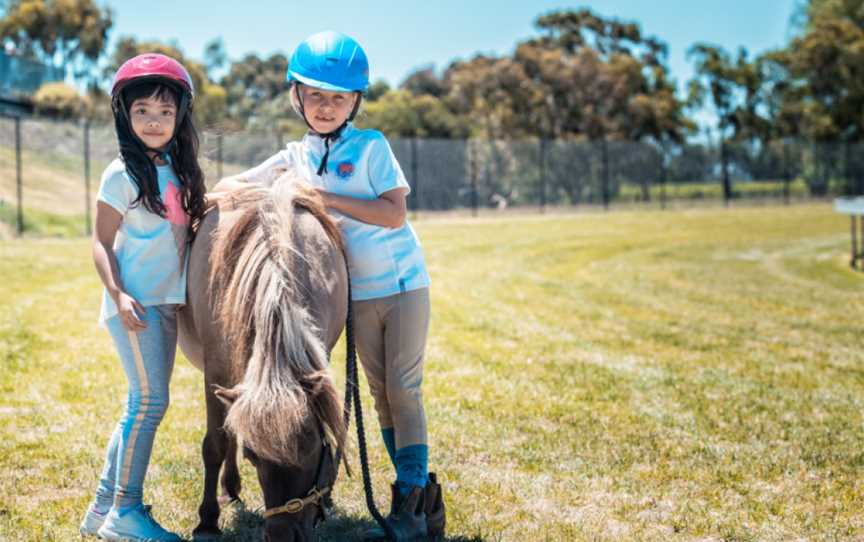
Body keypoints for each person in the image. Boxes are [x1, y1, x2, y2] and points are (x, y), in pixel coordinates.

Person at [213, 30, 446, 540]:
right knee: (381, 396)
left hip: (402, 286)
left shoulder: (371, 146)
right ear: (296, 96)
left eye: (338, 97)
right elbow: (235, 184)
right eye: (315, 94)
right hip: (355, 297)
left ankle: (412, 499)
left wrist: (321, 197)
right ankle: (419, 496)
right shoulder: (294, 156)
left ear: (355, 101)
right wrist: (206, 196)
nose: (326, 106)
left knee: (403, 391)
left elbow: (392, 212)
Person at [80, 53, 206, 541]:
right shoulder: (120, 173)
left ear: (180, 117)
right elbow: (100, 242)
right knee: (149, 403)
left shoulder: (178, 168)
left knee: (143, 402)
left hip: (166, 303)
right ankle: (125, 513)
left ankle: (101, 508)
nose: (154, 122)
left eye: (165, 112)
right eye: (143, 112)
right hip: (135, 305)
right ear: (124, 116)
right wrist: (119, 294)